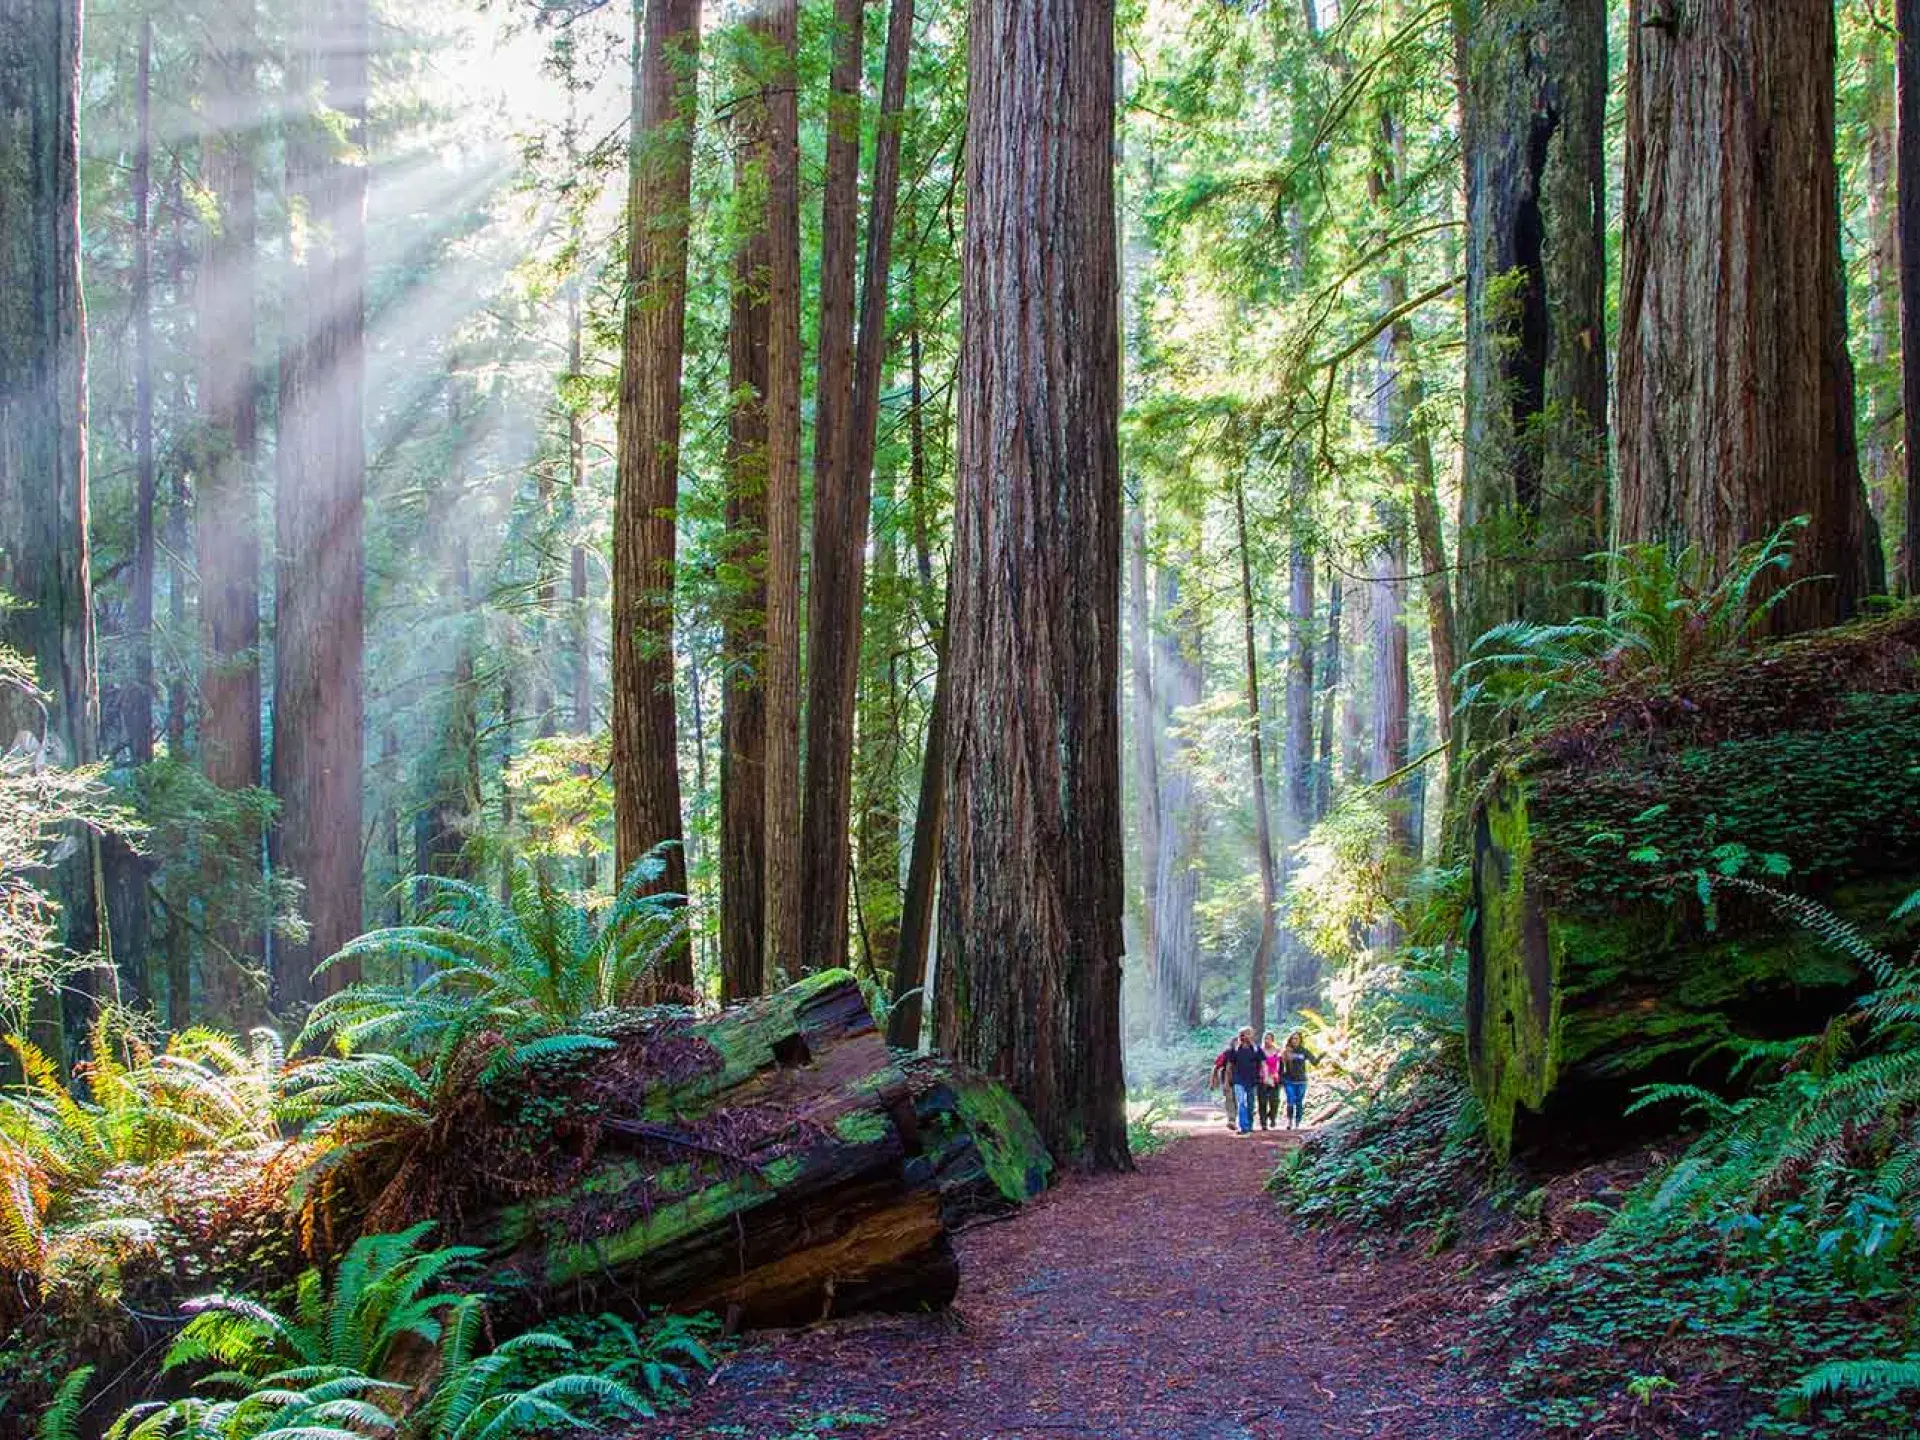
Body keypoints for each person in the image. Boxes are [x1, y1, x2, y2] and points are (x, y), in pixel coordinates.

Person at [1226, 1027, 1264, 1135]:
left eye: (1247, 1034)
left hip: (1252, 1080)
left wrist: (1264, 1076)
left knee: (1250, 1103)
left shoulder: (1256, 1049)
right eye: (1242, 1034)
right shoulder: (1235, 1050)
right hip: (1238, 1080)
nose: (1245, 1036)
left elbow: (1262, 1063)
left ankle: (1250, 1125)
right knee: (1241, 1102)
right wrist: (1228, 1080)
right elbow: (1229, 1065)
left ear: (1252, 1035)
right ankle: (1244, 1127)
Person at [1279, 1029, 1318, 1129]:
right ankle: (1289, 1121)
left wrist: (1323, 1056)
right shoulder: (1286, 1051)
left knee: (1299, 1102)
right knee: (1290, 1100)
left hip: (1301, 1080)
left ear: (1300, 1040)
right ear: (1290, 1040)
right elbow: (1280, 1067)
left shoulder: (1304, 1051)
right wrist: (1281, 1079)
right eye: (1293, 1039)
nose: (1294, 1041)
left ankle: (1298, 1122)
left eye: (1296, 1039)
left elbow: (1314, 1062)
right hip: (1289, 1080)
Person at [1257, 1031, 1283, 1131]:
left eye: (1269, 1038)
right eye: (1265, 1038)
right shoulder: (1260, 1051)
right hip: (1262, 1079)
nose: (1267, 1040)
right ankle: (1263, 1123)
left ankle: (1272, 1117)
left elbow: (1281, 1065)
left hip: (1274, 1079)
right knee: (1262, 1101)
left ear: (1272, 1040)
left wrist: (1280, 1077)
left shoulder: (1277, 1051)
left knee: (1274, 1100)